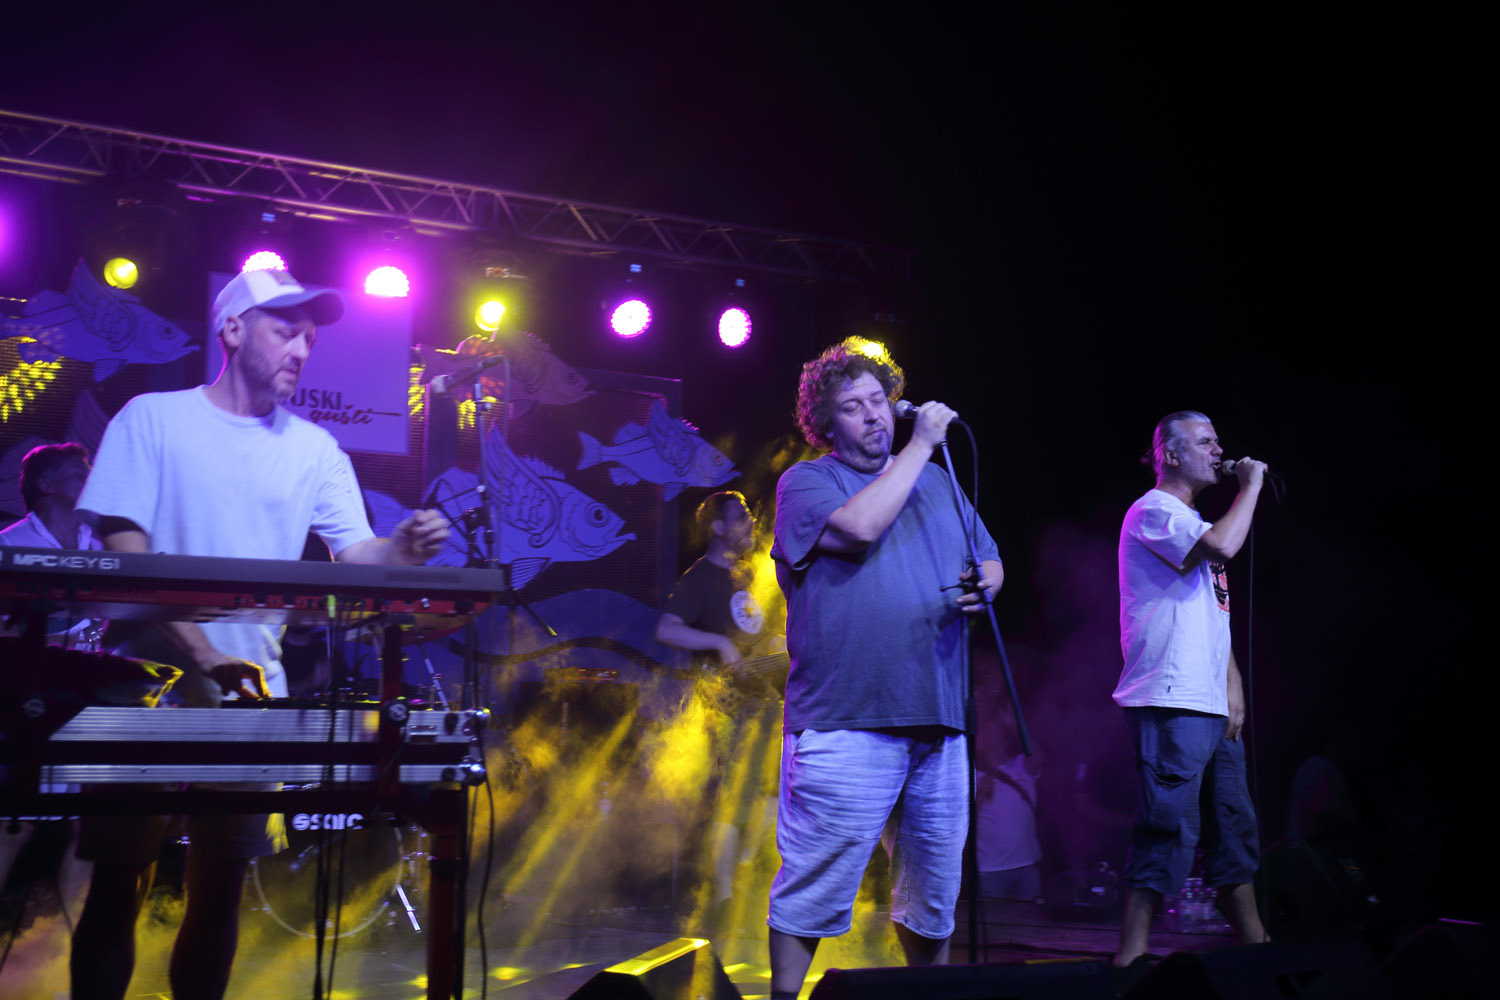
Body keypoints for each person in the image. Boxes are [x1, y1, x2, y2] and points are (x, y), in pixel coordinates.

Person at [69, 266, 450, 1000]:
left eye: (310, 338)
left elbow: (359, 557)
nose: (302, 349)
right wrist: (203, 652)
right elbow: (126, 558)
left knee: (221, 887)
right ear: (234, 329)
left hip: (248, 694)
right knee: (120, 882)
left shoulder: (315, 449)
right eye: (285, 331)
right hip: (144, 689)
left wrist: (403, 549)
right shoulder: (152, 419)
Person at [766, 339, 1002, 998]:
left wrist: (986, 584)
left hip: (939, 715)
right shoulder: (806, 483)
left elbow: (989, 556)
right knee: (815, 884)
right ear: (826, 423)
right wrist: (921, 445)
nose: (874, 415)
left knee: (933, 891)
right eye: (853, 407)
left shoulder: (937, 479)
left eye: (879, 399)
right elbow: (861, 527)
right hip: (847, 717)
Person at [1112, 410, 1269, 969]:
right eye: (1205, 442)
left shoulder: (1195, 523)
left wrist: (1233, 685)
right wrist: (1250, 486)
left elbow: (1215, 616)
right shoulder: (1154, 510)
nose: (1218, 450)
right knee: (1166, 827)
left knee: (1232, 826)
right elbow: (1225, 546)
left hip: (1210, 701)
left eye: (1217, 441)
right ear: (1171, 455)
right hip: (1171, 697)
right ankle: (1130, 959)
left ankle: (1258, 948)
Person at [655, 491, 785, 938]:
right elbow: (667, 629)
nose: (751, 523)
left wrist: (777, 643)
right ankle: (724, 900)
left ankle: (743, 871)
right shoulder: (698, 579)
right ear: (717, 527)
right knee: (733, 799)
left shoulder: (751, 574)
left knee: (775, 795)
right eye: (741, 516)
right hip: (726, 707)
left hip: (765, 702)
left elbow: (768, 633)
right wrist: (719, 644)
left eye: (750, 515)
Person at [0, 443, 98, 920]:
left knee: (88, 828)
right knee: (12, 825)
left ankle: (66, 948)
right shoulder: (9, 544)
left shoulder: (103, 544)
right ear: (46, 485)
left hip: (89, 703)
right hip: (24, 703)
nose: (91, 480)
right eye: (79, 474)